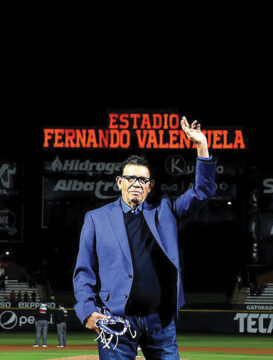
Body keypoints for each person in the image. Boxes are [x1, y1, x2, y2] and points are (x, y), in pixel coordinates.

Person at [73, 116, 216, 359]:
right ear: (119, 182)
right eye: (130, 178)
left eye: (143, 180)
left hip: (160, 324)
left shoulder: (166, 212)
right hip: (115, 322)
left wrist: (201, 144)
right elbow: (84, 271)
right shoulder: (96, 219)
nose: (136, 184)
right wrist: (88, 312)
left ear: (150, 187)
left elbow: (202, 191)